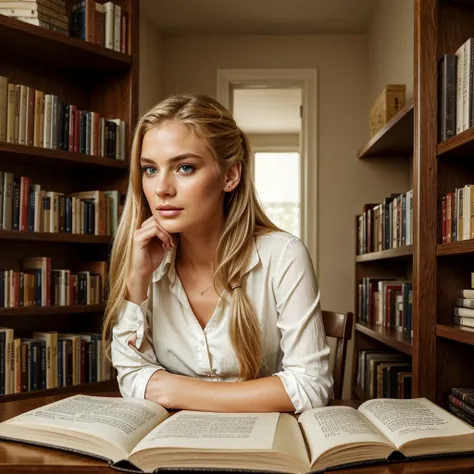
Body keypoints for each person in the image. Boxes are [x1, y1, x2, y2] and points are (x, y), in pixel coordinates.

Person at [103, 93, 333, 414]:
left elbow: (310, 386)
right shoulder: (145, 260)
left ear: (230, 176)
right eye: (150, 169)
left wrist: (168, 388)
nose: (161, 189)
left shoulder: (283, 255)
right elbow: (130, 377)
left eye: (184, 167)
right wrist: (137, 278)